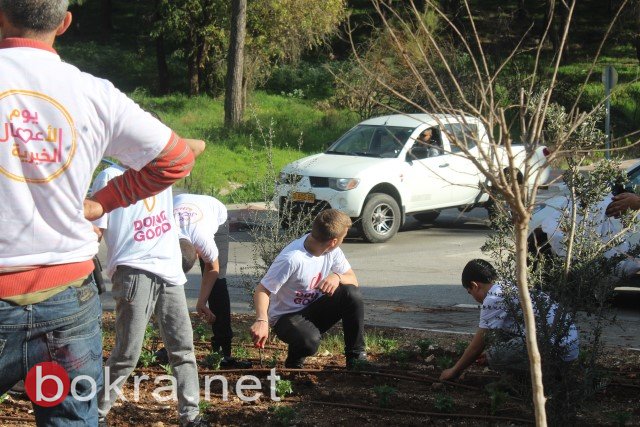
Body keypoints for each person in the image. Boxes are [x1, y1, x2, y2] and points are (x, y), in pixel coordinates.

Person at [0, 1, 196, 425]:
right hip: (67, 296)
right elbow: (177, 159)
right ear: (65, 23)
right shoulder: (93, 92)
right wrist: (101, 203)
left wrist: (103, 201)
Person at [92, 164, 207, 427]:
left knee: (183, 349)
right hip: (134, 271)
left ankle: (190, 417)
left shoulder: (163, 171)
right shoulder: (110, 177)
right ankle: (95, 415)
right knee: (127, 353)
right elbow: (96, 226)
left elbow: (193, 149)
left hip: (169, 270)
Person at [250, 209, 368, 369]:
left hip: (314, 310)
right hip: (286, 318)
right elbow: (262, 290)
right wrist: (262, 320)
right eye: (343, 237)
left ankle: (356, 359)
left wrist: (337, 277)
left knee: (351, 294)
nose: (343, 241)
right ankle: (294, 362)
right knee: (309, 341)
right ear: (333, 241)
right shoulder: (292, 259)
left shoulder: (332, 251)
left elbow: (353, 279)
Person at [439, 259, 579, 381]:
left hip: (557, 356)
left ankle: (542, 378)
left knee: (497, 355)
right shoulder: (507, 286)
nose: (472, 296)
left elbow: (478, 344)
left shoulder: (493, 297)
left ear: (475, 285)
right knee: (497, 339)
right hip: (568, 352)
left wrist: (454, 370)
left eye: (470, 292)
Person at [171, 193, 252, 368]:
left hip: (214, 210)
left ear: (199, 253)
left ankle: (223, 352)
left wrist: (201, 301)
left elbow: (213, 268)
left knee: (218, 285)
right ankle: (171, 344)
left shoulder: (204, 241)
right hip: (181, 201)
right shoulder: (162, 236)